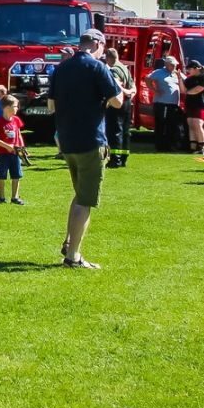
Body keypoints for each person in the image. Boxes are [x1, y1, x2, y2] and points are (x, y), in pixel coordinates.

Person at [47, 28, 125, 270]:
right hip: (91, 141)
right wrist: (116, 86)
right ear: (98, 44)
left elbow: (51, 106)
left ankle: (69, 242)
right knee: (86, 200)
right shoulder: (98, 67)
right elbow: (118, 101)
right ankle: (73, 256)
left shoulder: (61, 68)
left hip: (67, 141)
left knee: (80, 194)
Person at [0, 94, 27, 204]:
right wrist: (7, 146)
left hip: (15, 154)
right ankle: (1, 197)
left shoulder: (16, 120)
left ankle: (15, 197)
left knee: (16, 175)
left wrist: (22, 148)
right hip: (3, 154)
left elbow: (18, 135)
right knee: (1, 175)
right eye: (15, 106)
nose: (17, 108)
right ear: (7, 108)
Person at [102, 45, 133, 167]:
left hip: (118, 102)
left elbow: (115, 85)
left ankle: (115, 159)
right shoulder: (124, 68)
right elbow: (132, 85)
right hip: (127, 103)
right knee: (125, 130)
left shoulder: (113, 70)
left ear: (108, 58)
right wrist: (129, 92)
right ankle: (124, 158)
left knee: (114, 130)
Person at [146, 55, 182, 152]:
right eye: (172, 65)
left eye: (175, 65)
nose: (174, 66)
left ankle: (170, 145)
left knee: (171, 124)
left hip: (174, 104)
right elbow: (147, 79)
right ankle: (160, 145)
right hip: (161, 102)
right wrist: (154, 90)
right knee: (161, 124)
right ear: (166, 64)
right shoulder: (159, 72)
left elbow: (185, 81)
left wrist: (180, 77)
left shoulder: (176, 73)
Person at [181, 60, 204, 154]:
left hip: (201, 104)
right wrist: (179, 78)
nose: (188, 71)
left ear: (196, 68)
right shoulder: (189, 79)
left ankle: (201, 147)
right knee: (191, 123)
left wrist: (187, 92)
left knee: (198, 124)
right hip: (190, 104)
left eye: (190, 69)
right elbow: (183, 90)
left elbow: (197, 90)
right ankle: (193, 147)